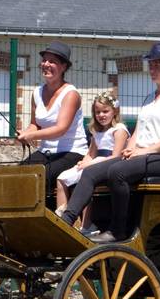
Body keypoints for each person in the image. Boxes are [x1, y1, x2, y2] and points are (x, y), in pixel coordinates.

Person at [60, 42, 160, 243]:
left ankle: (118, 230)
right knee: (90, 172)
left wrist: (146, 150)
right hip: (145, 156)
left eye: (157, 64)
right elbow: (138, 132)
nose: (152, 69)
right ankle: (67, 221)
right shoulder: (150, 98)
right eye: (151, 64)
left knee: (118, 172)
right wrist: (130, 149)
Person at [16, 41, 88, 194]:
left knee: (41, 177)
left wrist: (31, 135)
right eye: (44, 60)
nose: (46, 64)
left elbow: (60, 129)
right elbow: (34, 125)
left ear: (63, 67)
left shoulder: (71, 94)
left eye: (52, 61)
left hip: (72, 152)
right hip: (46, 151)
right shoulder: (36, 93)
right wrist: (25, 133)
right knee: (17, 174)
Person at [55, 91, 129, 234]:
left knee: (86, 178)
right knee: (62, 177)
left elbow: (116, 156)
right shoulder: (96, 131)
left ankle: (86, 224)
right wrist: (83, 162)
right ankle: (62, 214)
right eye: (97, 112)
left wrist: (90, 164)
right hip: (95, 161)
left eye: (105, 111)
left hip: (108, 163)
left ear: (114, 111)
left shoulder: (119, 130)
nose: (101, 115)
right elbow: (91, 153)